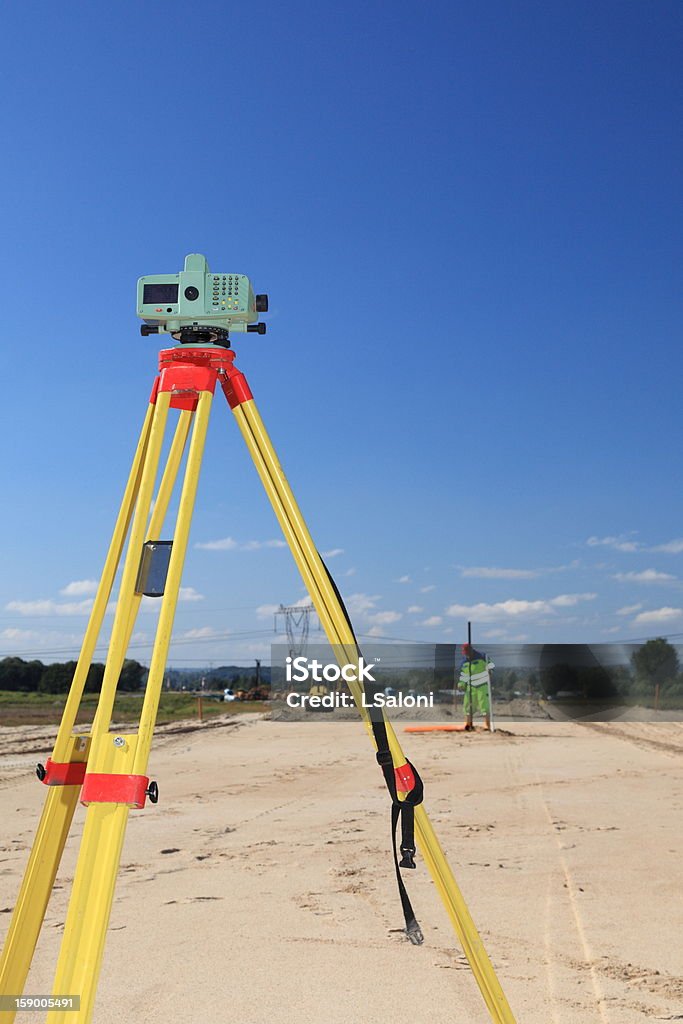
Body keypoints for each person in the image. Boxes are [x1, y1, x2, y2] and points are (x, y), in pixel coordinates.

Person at [458, 643, 494, 730]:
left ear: (471, 649)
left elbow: (490, 664)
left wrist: (490, 670)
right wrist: (461, 684)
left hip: (482, 685)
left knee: (484, 705)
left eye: (467, 651)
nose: (466, 654)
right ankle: (468, 724)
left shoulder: (482, 656)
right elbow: (463, 676)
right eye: (464, 652)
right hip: (470, 687)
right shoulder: (463, 662)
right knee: (468, 706)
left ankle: (487, 725)